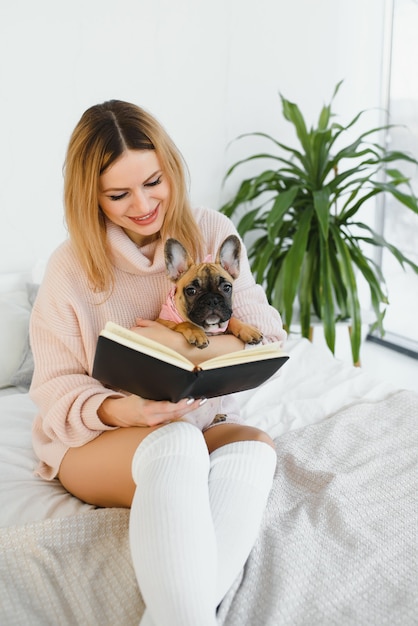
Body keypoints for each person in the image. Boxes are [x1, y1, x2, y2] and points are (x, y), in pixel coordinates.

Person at [30, 100, 287, 626]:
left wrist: (178, 346)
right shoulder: (69, 269)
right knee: (173, 442)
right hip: (95, 437)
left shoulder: (211, 231)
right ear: (90, 196)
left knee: (255, 447)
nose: (144, 204)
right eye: (119, 194)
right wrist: (124, 412)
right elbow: (55, 389)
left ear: (170, 166)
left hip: (193, 421)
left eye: (154, 181)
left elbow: (269, 336)